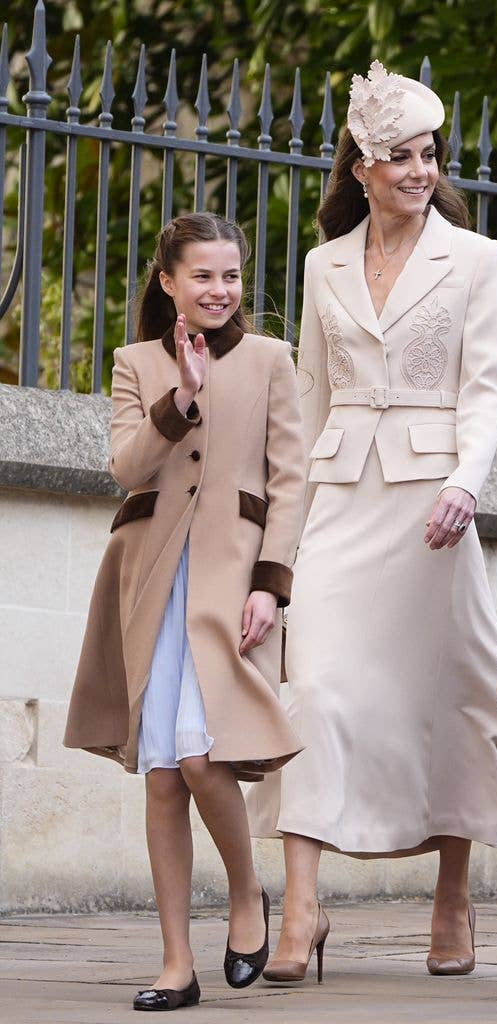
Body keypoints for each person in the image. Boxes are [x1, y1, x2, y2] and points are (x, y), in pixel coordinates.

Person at [248, 60, 497, 984]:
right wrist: (278, 530)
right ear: (362, 166)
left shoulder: (476, 257)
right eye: (401, 157)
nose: (420, 170)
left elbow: (487, 387)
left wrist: (465, 481)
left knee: (442, 695)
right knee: (316, 691)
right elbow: (307, 391)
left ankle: (452, 896)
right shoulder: (321, 263)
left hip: (432, 510)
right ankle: (300, 907)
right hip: (339, 498)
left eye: (429, 155)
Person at [63, 213, 306, 1010]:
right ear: (168, 281)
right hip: (151, 580)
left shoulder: (273, 358)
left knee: (203, 758)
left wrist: (270, 583)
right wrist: (182, 395)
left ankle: (246, 895)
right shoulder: (136, 363)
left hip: (230, 581)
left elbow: (290, 480)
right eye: (202, 275)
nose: (219, 290)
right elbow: (124, 468)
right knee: (163, 776)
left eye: (230, 275)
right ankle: (175, 961)